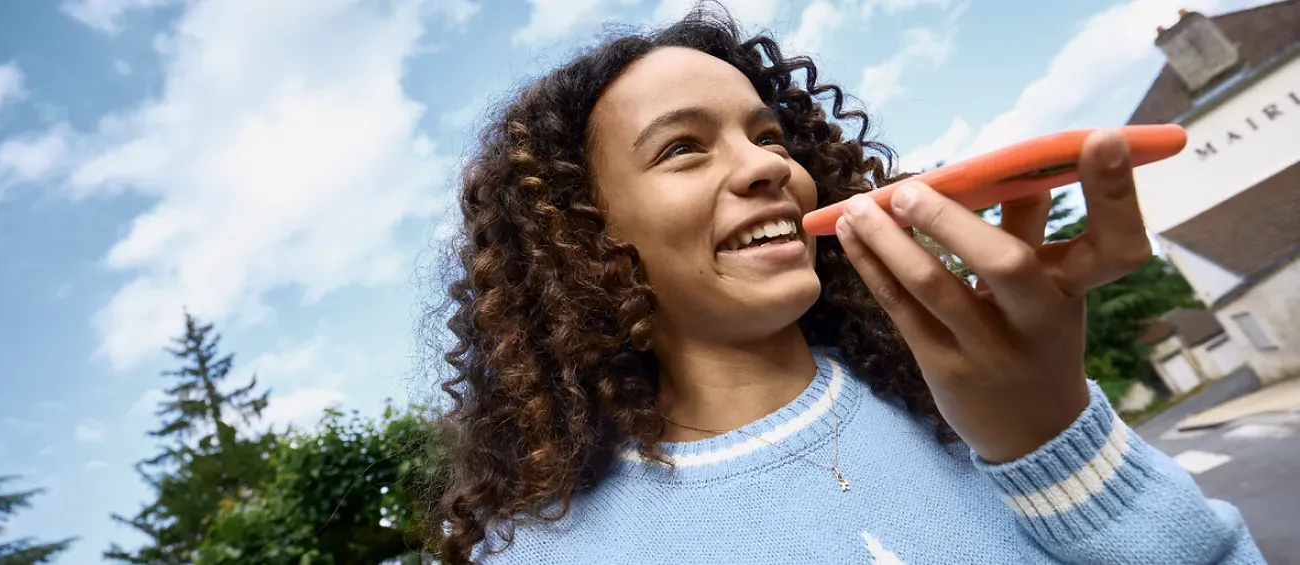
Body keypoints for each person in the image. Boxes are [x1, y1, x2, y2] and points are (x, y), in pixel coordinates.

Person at [434, 6, 1264, 564]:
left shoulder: (977, 396)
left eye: (769, 135)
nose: (766, 165)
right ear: (582, 235)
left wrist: (1052, 435)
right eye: (684, 147)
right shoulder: (541, 550)